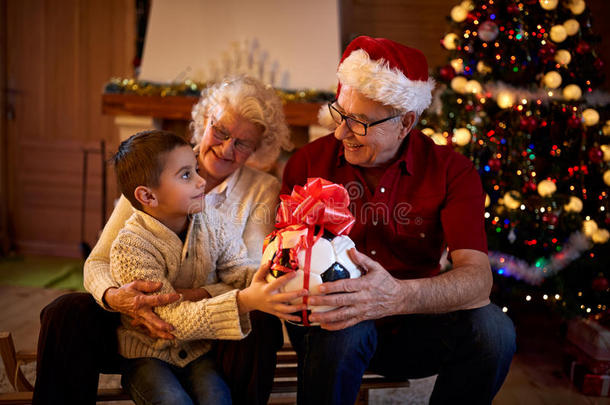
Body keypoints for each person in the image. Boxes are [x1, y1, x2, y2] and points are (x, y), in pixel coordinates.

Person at [281, 36, 516, 405]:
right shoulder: (308, 162)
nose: (341, 132)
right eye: (340, 114)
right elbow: (282, 259)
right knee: (345, 327)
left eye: (359, 122)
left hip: (416, 326)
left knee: (494, 330)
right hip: (330, 326)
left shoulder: (452, 171)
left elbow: (478, 281)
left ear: (405, 122)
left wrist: (396, 297)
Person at [32, 76, 293, 405]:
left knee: (261, 317)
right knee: (65, 311)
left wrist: (183, 296)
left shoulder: (260, 190)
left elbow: (251, 274)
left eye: (243, 144)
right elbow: (98, 262)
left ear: (257, 150)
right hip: (138, 327)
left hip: (210, 329)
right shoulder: (155, 171)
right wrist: (116, 297)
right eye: (222, 131)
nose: (227, 148)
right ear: (204, 123)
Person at [107, 130, 304, 404]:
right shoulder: (130, 247)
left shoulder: (213, 222)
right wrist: (245, 300)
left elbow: (238, 272)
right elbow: (170, 320)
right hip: (147, 356)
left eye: (196, 170)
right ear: (148, 197)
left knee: (218, 399)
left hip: (199, 352)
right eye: (186, 175)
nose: (202, 181)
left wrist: (275, 279)